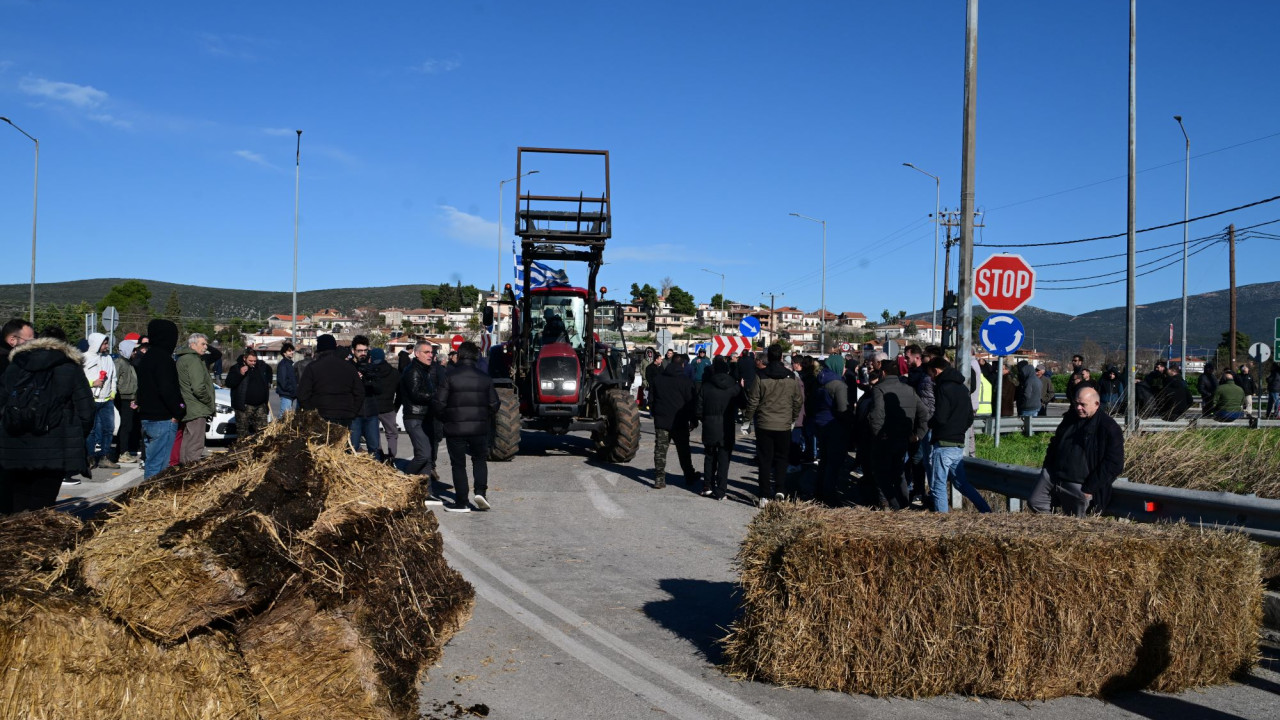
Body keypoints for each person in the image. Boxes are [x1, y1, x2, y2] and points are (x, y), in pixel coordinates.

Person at [0, 333, 94, 513]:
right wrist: (74, 437)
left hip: (14, 445)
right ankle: (37, 538)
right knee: (44, 503)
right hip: (56, 446)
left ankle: (18, 537)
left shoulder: (15, 366)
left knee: (18, 500)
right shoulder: (70, 368)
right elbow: (86, 412)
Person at [1029, 386, 1124, 517]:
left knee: (1076, 525)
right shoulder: (1070, 418)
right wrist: (1047, 468)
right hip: (1054, 476)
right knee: (1036, 502)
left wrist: (1089, 489)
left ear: (1096, 404)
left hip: (1079, 484)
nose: (1078, 407)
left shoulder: (1108, 428)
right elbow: (1055, 443)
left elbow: (1114, 463)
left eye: (1082, 404)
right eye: (1076, 403)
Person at [432, 341, 499, 513]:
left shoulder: (450, 376)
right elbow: (494, 404)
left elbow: (439, 403)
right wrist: (484, 417)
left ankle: (461, 502)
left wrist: (446, 419)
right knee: (479, 460)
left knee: (458, 464)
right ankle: (481, 492)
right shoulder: (484, 378)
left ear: (459, 356)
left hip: (455, 428)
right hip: (479, 428)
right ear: (476, 357)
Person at [925, 357, 991, 513]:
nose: (931, 378)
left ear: (936, 370)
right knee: (961, 483)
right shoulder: (963, 388)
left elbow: (940, 417)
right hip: (958, 443)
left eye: (930, 374)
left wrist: (930, 424)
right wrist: (959, 430)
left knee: (938, 486)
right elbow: (969, 417)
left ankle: (944, 522)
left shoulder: (943, 388)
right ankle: (986, 512)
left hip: (943, 444)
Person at [742, 344, 802, 507]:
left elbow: (753, 400)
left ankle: (764, 495)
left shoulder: (761, 375)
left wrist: (747, 420)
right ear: (782, 357)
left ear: (768, 358)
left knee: (764, 459)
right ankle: (780, 489)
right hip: (783, 423)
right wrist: (792, 418)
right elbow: (797, 400)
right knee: (782, 458)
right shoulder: (791, 377)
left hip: (764, 423)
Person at [867, 357, 929, 510]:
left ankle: (894, 504)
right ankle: (903, 504)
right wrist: (918, 434)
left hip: (885, 437)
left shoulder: (879, 389)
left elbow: (877, 415)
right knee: (899, 472)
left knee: (882, 474)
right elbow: (924, 413)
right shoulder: (909, 389)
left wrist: (877, 435)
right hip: (904, 438)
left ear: (883, 372)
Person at [135, 319, 184, 479]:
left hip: (147, 417)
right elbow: (167, 389)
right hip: (163, 419)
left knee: (151, 462)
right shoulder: (163, 359)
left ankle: (146, 497)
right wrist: (178, 411)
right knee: (159, 468)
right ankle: (149, 499)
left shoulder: (147, 357)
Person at [401, 341, 447, 501]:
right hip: (414, 417)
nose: (431, 355)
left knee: (427, 457)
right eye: (426, 352)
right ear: (417, 353)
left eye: (431, 352)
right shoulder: (413, 371)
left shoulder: (424, 370)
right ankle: (402, 481)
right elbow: (416, 394)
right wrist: (436, 396)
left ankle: (427, 492)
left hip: (424, 416)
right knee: (423, 454)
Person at [650, 353, 700, 490]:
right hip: (680, 422)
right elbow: (691, 403)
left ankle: (659, 479)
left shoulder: (658, 379)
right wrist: (693, 420)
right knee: (684, 451)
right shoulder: (686, 381)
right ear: (682, 365)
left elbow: (651, 400)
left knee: (660, 451)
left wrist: (655, 414)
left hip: (662, 421)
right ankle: (689, 476)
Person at [810, 354, 852, 506]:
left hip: (820, 423)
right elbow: (842, 409)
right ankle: (830, 495)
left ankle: (819, 491)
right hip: (834, 426)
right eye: (843, 366)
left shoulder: (820, 380)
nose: (845, 369)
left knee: (824, 460)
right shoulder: (838, 385)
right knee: (833, 463)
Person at [697, 357, 740, 500]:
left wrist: (705, 419)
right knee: (724, 459)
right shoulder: (733, 386)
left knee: (709, 457)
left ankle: (707, 486)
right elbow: (743, 403)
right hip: (727, 427)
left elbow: (698, 409)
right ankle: (721, 490)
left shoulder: (706, 386)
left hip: (710, 425)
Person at [298, 334, 364, 427]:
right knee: (342, 441)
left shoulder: (313, 367)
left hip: (320, 415)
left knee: (321, 441)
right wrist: (353, 412)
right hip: (344, 415)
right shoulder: (349, 367)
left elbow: (302, 395)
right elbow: (359, 392)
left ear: (319, 349)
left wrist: (311, 413)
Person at [176, 333, 216, 463]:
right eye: (202, 344)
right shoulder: (194, 360)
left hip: (189, 406)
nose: (205, 347)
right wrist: (208, 401)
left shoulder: (182, 358)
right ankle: (190, 472)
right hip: (197, 407)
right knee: (196, 442)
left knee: (187, 440)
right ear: (192, 345)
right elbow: (198, 388)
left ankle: (183, 468)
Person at [81, 332, 118, 472]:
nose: (106, 346)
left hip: (106, 399)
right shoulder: (84, 358)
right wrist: (92, 383)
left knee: (108, 429)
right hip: (91, 399)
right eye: (104, 343)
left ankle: (104, 457)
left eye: (107, 343)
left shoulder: (108, 358)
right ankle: (90, 457)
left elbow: (113, 377)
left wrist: (113, 393)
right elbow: (79, 379)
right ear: (96, 343)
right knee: (90, 430)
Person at [225, 348, 272, 443]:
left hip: (260, 405)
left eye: (255, 361)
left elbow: (269, 370)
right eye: (250, 361)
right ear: (244, 358)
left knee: (263, 432)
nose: (253, 363)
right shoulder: (236, 368)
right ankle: (242, 452)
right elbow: (229, 383)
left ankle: (260, 452)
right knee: (243, 435)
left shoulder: (261, 366)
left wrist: (269, 380)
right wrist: (240, 373)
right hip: (244, 406)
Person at [347, 336, 380, 457]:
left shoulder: (372, 367)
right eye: (359, 351)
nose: (363, 354)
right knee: (352, 448)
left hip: (371, 412)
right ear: (353, 351)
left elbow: (379, 389)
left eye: (365, 351)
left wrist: (369, 380)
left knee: (374, 447)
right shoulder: (347, 367)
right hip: (354, 414)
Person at [370, 348, 400, 464]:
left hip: (372, 407)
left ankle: (379, 456)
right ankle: (391, 457)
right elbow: (400, 392)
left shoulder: (370, 372)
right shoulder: (394, 372)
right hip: (388, 407)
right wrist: (395, 407)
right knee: (392, 433)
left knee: (374, 434)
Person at [112, 338, 139, 464]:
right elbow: (115, 380)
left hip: (129, 397)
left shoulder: (128, 363)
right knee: (125, 426)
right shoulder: (119, 363)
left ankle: (122, 450)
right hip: (122, 398)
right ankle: (122, 452)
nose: (135, 352)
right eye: (134, 350)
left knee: (127, 426)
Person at [276, 341, 299, 415]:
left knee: (287, 417)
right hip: (286, 395)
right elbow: (283, 382)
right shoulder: (283, 364)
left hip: (289, 395)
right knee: (284, 417)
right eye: (289, 351)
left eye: (292, 350)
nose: (292, 352)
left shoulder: (290, 363)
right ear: (284, 353)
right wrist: (292, 390)